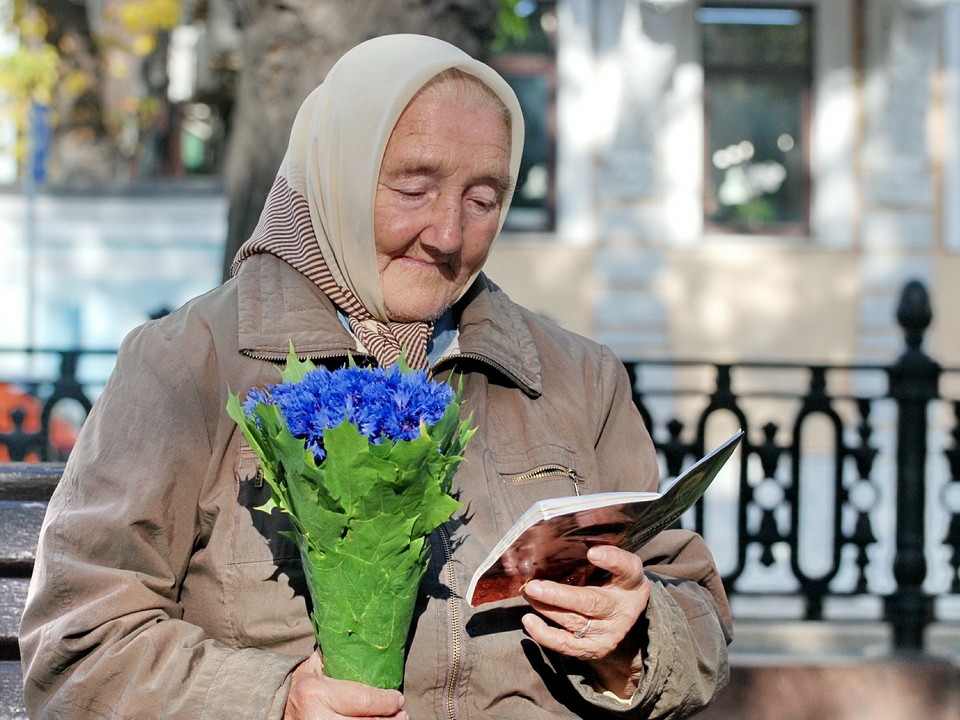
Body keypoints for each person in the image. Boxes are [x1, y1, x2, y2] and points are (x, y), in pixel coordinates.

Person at [19, 34, 731, 719]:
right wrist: (271, 703)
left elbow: (695, 612)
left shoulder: (577, 377)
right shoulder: (189, 364)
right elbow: (80, 646)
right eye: (413, 189)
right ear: (336, 174)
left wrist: (633, 641)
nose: (448, 234)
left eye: (483, 200)